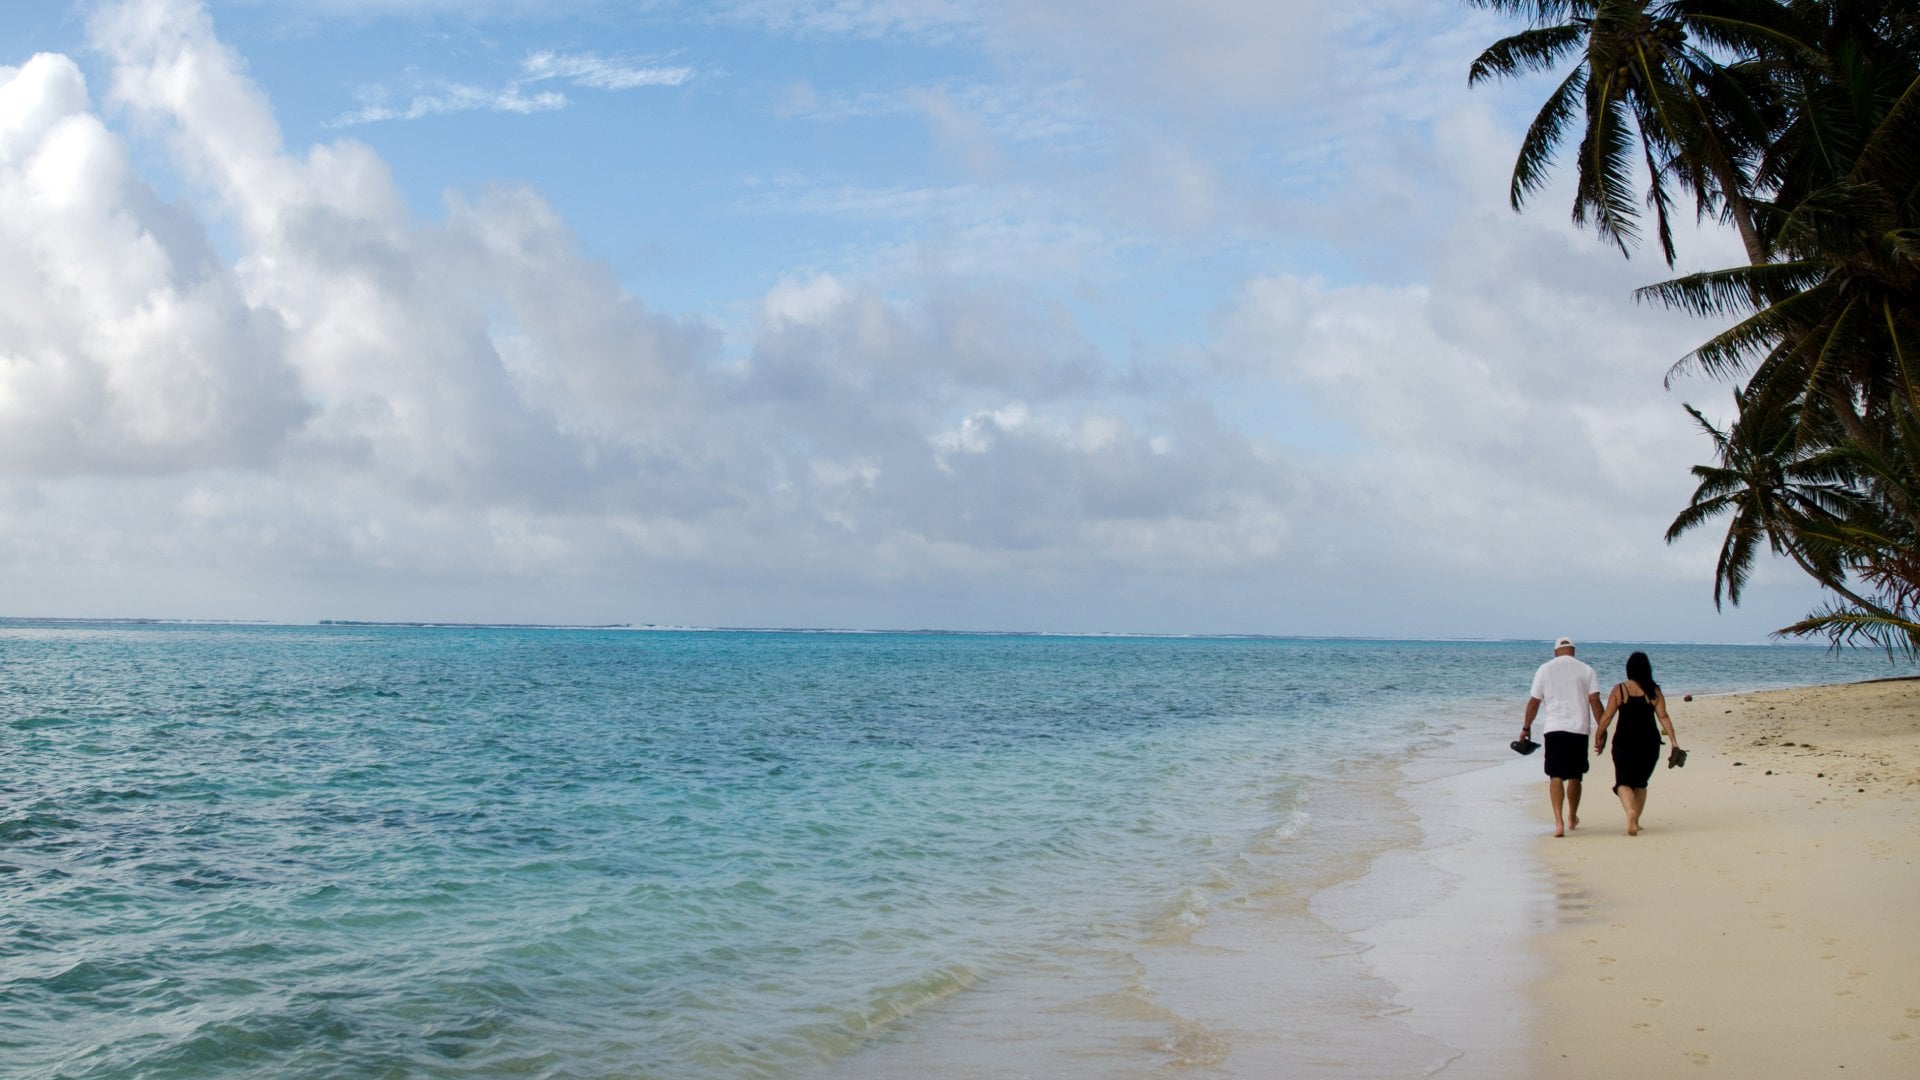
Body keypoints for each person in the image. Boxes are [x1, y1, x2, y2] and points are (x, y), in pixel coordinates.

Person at [1521, 637, 1603, 837]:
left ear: (1555, 651)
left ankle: (1558, 822)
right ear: (1573, 651)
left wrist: (1526, 727)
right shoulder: (1587, 670)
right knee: (1576, 775)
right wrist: (1602, 728)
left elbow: (1534, 702)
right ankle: (1572, 817)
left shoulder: (1545, 669)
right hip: (1579, 729)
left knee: (1555, 775)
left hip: (1554, 729)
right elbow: (1594, 701)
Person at [1593, 651, 1681, 836]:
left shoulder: (1620, 690)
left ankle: (1630, 813)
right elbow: (1663, 717)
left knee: (1623, 781)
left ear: (1629, 669)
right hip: (1649, 743)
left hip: (1624, 742)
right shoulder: (1654, 691)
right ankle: (1636, 820)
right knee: (1641, 783)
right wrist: (1673, 741)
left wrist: (1599, 734)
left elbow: (1608, 715)